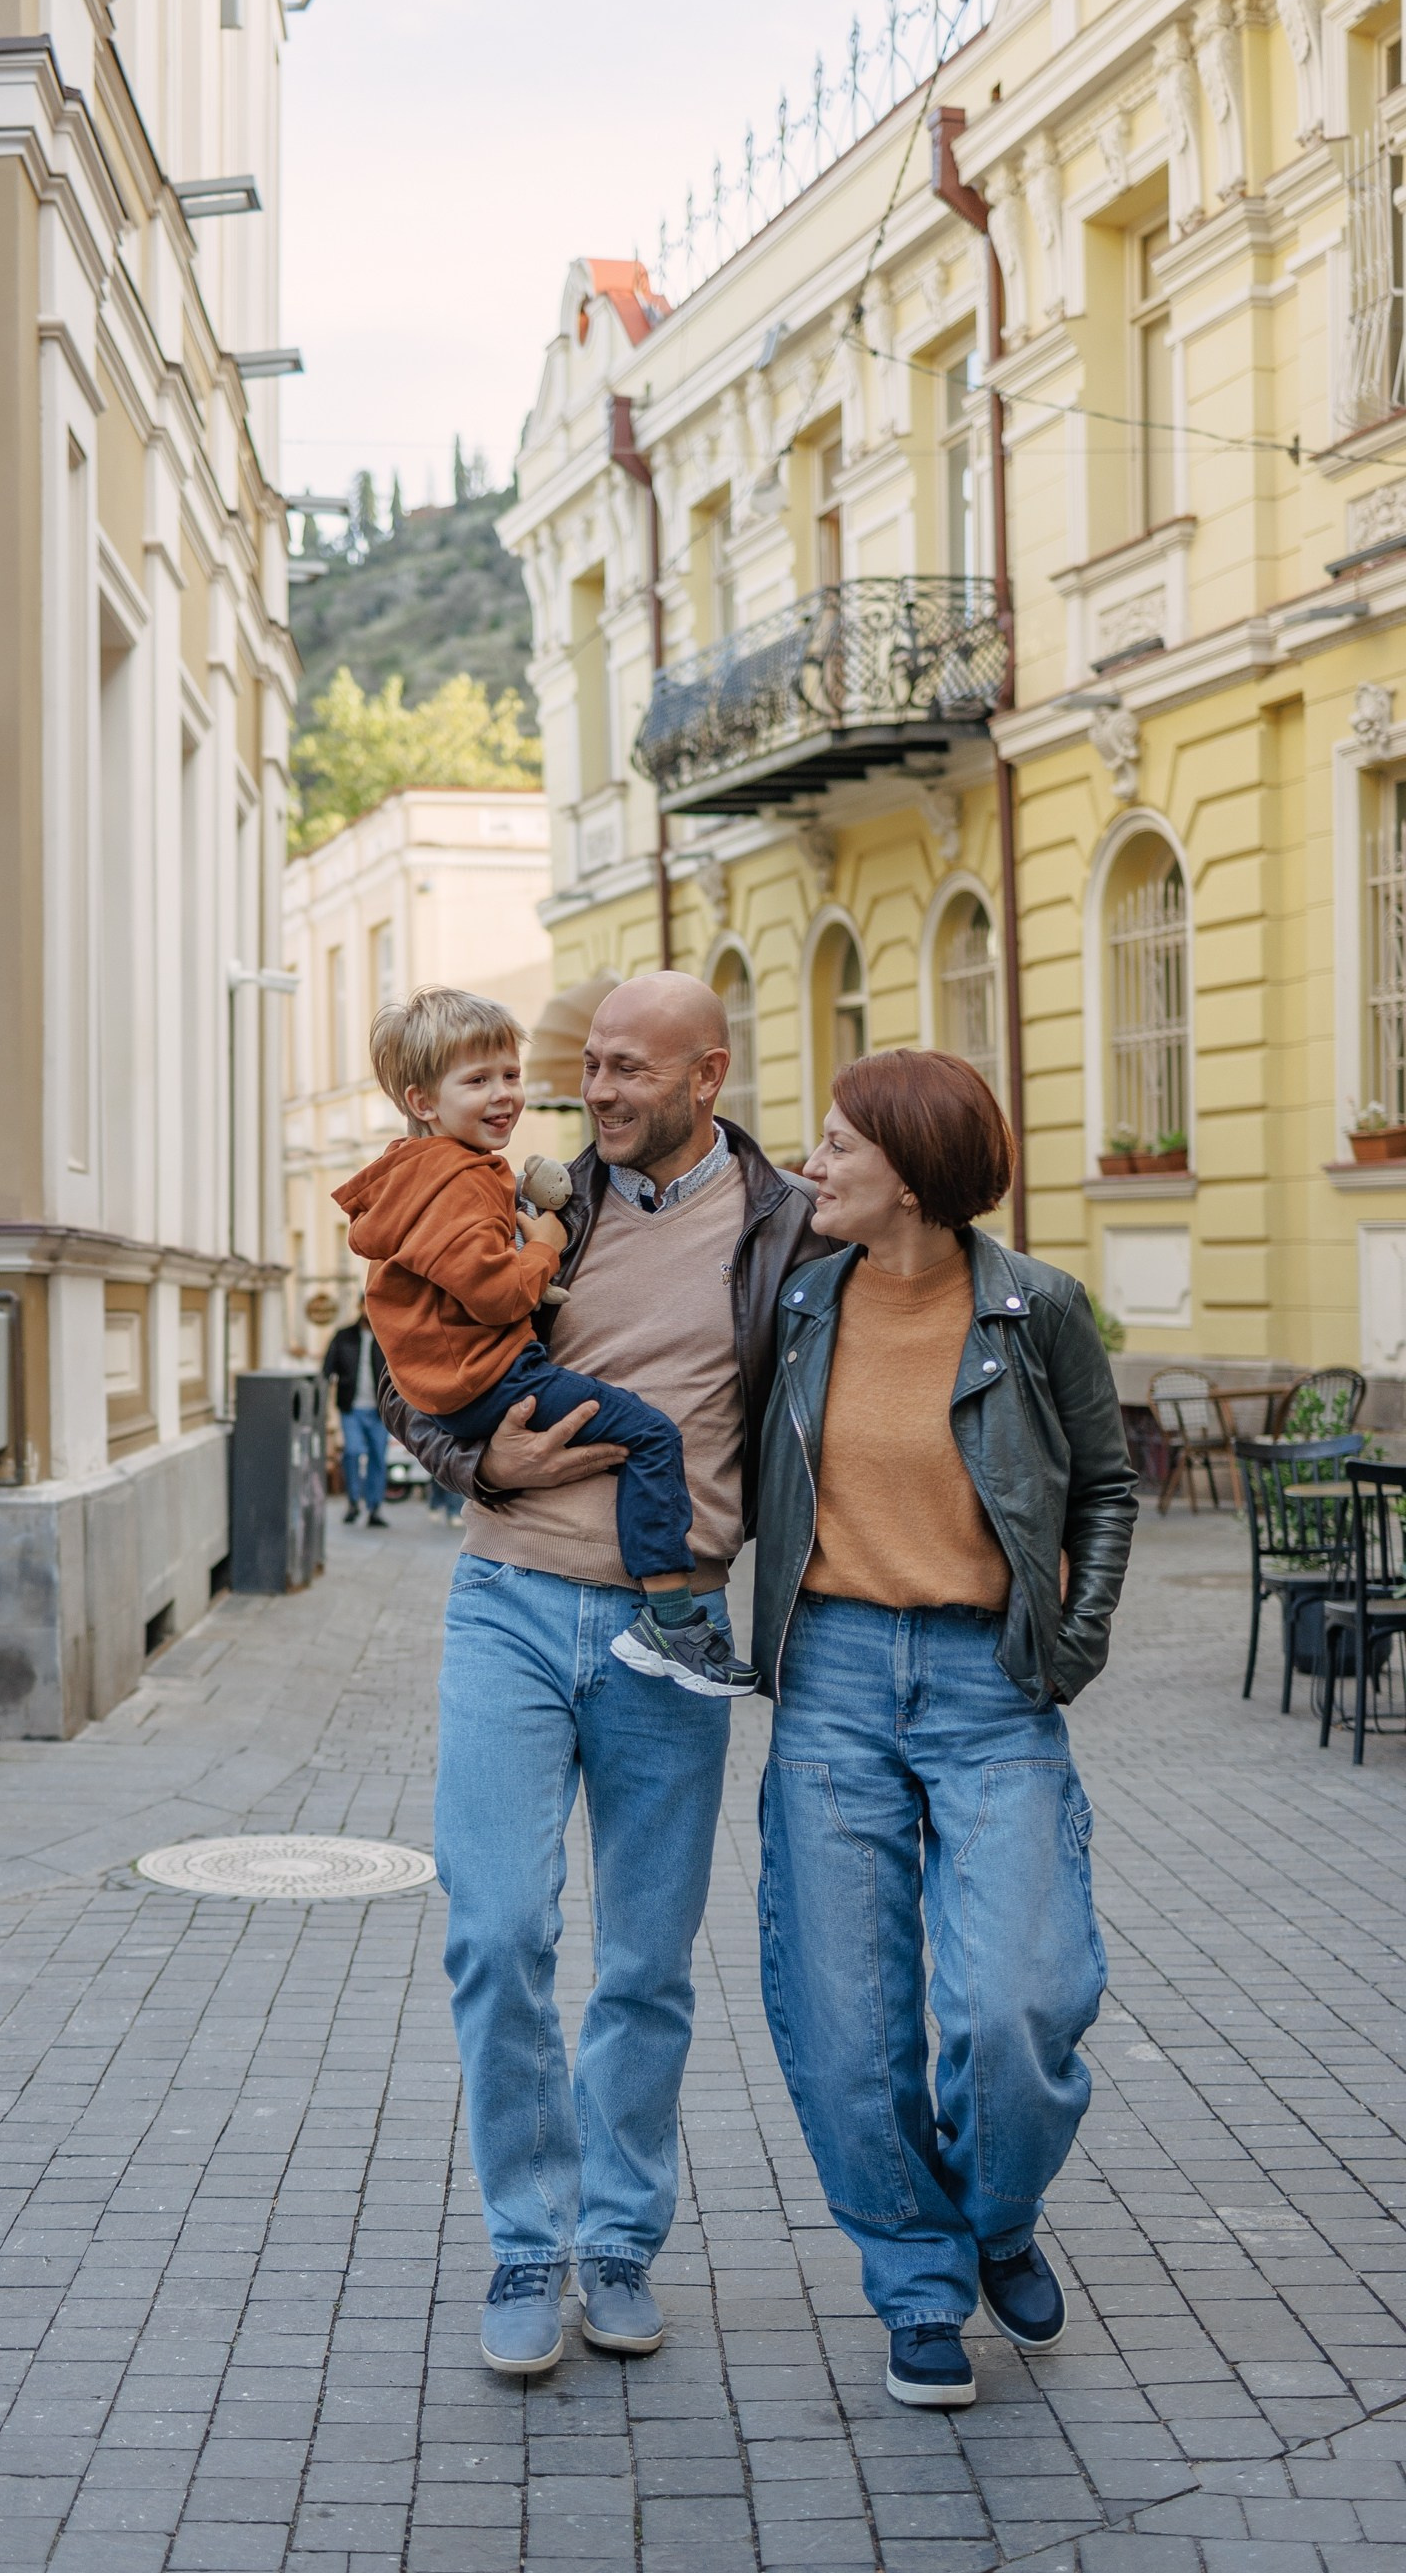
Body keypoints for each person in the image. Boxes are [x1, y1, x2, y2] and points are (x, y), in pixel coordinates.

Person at [377, 974, 825, 2374]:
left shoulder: (788, 1226)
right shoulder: (535, 1198)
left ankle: (618, 2242)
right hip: (507, 1605)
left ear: (707, 1075)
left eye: (628, 1069)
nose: (596, 1093)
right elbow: (404, 1368)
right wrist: (475, 1460)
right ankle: (527, 2241)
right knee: (497, 1930)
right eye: (590, 1069)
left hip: (670, 1631)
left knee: (643, 1962)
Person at [749, 1050, 1138, 2411]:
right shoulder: (798, 1303)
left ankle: (997, 2214)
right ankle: (919, 2283)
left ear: (910, 1176)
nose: (812, 1163)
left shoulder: (1037, 1310)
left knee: (1018, 2000)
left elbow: (1104, 1486)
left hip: (988, 1678)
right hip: (833, 1670)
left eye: (838, 1145)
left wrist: (1072, 1643)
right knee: (847, 2019)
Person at [336, 987, 756, 1697]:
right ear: (423, 1102)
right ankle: (670, 1619)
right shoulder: (460, 1182)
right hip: (497, 1405)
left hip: (471, 1380)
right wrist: (544, 1248)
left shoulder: (428, 1174)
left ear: (707, 1075)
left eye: (510, 1074)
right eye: (478, 1080)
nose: (505, 1094)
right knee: (652, 1435)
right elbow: (493, 1293)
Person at [323, 1305, 391, 1528]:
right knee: (352, 1452)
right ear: (359, 1307)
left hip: (380, 1410)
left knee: (378, 1457)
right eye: (365, 1305)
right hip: (351, 1407)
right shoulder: (343, 1336)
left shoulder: (387, 1335)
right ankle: (353, 1502)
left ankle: (374, 1507)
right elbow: (327, 1369)